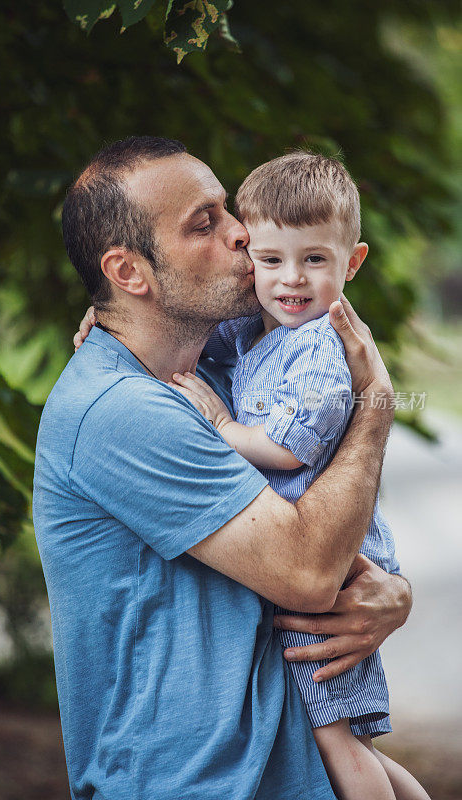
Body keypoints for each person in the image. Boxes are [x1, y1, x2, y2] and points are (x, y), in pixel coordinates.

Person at [34, 135, 412, 800]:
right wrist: (374, 404)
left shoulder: (219, 367)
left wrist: (390, 593)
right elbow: (305, 572)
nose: (242, 234)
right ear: (129, 274)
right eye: (204, 224)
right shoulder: (121, 410)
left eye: (227, 210)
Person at [168, 151, 429, 800]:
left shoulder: (318, 346)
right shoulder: (259, 330)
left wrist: (224, 430)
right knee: (325, 732)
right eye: (270, 259)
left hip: (338, 561)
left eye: (314, 259)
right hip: (301, 550)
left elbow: (290, 448)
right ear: (246, 256)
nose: (290, 280)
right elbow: (190, 340)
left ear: (351, 262)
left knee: (335, 739)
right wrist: (107, 322)